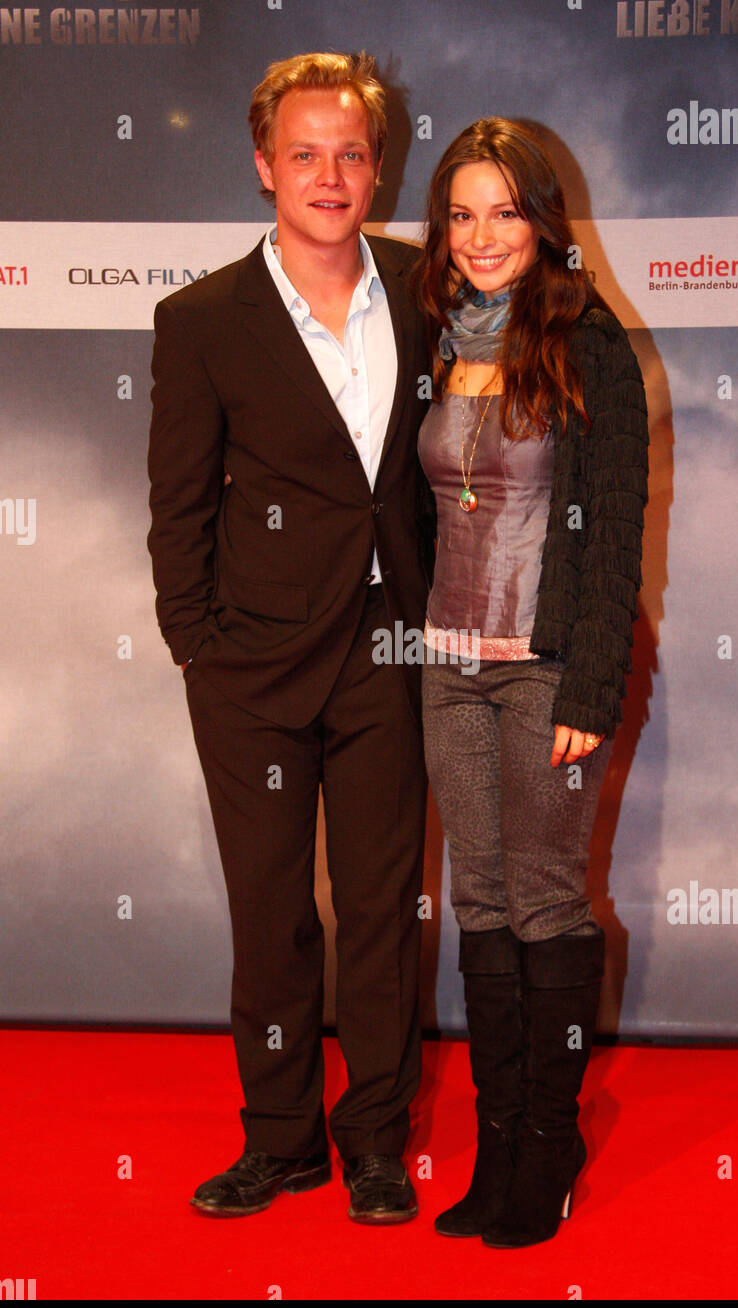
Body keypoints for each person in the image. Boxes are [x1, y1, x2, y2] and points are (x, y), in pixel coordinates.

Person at [146, 52, 435, 1225]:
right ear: (264, 165)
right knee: (271, 914)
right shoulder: (202, 317)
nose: (330, 174)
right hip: (252, 663)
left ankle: (372, 1141)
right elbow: (175, 502)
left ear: (379, 166)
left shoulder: (424, 291)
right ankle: (281, 1142)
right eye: (305, 152)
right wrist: (198, 647)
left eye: (351, 152)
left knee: (378, 909)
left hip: (389, 650)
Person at [413, 119, 649, 1248]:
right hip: (443, 670)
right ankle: (496, 1144)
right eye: (460, 212)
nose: (480, 236)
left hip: (545, 667)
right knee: (478, 904)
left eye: (504, 210)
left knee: (545, 906)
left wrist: (590, 691)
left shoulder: (587, 341)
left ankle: (545, 1154)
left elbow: (612, 535)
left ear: (542, 219)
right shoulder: (428, 334)